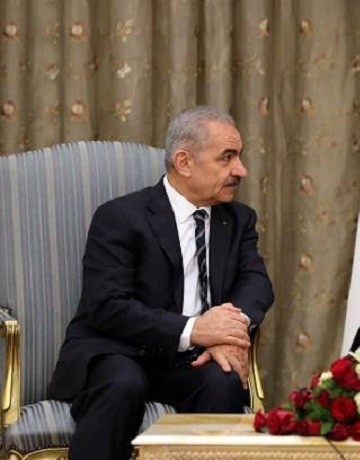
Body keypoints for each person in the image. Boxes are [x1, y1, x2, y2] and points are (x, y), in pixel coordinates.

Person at [47, 106, 275, 459]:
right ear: (184, 162)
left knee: (224, 381)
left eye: (239, 156)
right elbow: (107, 306)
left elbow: (255, 282)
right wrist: (196, 330)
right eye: (227, 157)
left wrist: (228, 331)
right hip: (119, 350)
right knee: (123, 384)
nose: (240, 170)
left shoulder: (238, 219)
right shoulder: (121, 217)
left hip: (190, 361)